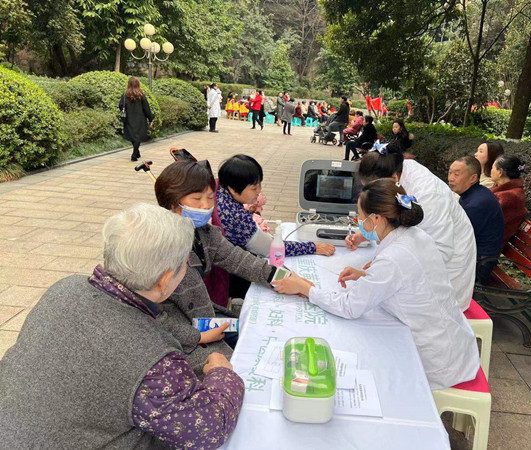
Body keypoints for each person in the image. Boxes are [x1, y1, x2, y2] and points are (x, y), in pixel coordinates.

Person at [0, 203, 245, 449]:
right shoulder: (153, 360)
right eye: (184, 264)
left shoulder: (65, 288)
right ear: (164, 281)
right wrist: (221, 374)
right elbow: (209, 429)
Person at [272, 179, 479, 390]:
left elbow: (349, 307)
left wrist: (304, 288)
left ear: (377, 218)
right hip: (455, 341)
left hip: (436, 360)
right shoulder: (416, 235)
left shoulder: (394, 257)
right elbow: (408, 278)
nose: (359, 222)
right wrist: (366, 275)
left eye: (360, 217)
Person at [155, 160, 286, 334]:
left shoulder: (205, 234)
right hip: (180, 332)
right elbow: (147, 310)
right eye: (197, 199)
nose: (206, 205)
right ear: (172, 202)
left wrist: (284, 277)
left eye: (210, 198)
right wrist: (195, 337)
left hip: (203, 320)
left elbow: (239, 260)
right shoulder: (158, 245)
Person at [352, 143, 477, 311]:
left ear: (394, 179)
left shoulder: (429, 195)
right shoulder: (394, 167)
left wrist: (386, 266)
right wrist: (367, 232)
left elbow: (440, 252)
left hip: (447, 272)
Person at [217, 154, 336, 259]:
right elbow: (271, 248)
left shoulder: (219, 191)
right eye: (254, 188)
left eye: (259, 184)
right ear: (232, 189)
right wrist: (312, 247)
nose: (259, 191)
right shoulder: (236, 216)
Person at [448, 155, 504, 283]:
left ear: (473, 178)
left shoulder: (476, 204)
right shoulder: (474, 194)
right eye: (450, 173)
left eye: (456, 174)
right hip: (473, 254)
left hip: (480, 262)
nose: (451, 178)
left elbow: (456, 237)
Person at [490, 155, 528, 247]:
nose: (491, 171)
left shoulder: (509, 197)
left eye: (492, 168)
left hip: (486, 247)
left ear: (500, 172)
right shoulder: (507, 192)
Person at [119, 76, 154, 162]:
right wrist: (150, 119)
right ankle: (134, 155)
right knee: (137, 137)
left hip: (129, 119)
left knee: (132, 136)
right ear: (137, 84)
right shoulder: (141, 95)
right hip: (140, 119)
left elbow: (120, 106)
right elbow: (146, 108)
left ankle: (137, 152)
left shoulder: (125, 94)